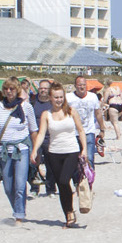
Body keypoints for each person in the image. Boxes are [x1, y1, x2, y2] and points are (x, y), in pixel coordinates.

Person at [30, 86, 85, 228]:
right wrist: (35, 150)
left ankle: (70, 211)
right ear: (50, 98)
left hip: (71, 150)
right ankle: (69, 213)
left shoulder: (71, 111)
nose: (59, 100)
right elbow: (41, 133)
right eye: (56, 97)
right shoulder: (46, 114)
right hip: (54, 152)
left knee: (64, 179)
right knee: (61, 185)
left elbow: (80, 130)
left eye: (61, 97)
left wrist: (84, 149)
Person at [0, 81, 34, 224]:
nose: (9, 91)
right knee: (7, 187)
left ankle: (19, 215)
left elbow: (33, 129)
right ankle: (18, 209)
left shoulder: (26, 107)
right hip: (3, 151)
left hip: (21, 149)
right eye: (6, 89)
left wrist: (35, 151)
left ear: (17, 90)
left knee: (20, 185)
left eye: (12, 88)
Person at [68, 83, 102, 166]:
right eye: (79, 85)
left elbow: (98, 113)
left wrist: (102, 128)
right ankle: (78, 178)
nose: (82, 87)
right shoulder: (68, 97)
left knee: (89, 158)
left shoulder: (93, 97)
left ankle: (89, 177)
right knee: (75, 160)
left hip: (89, 131)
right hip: (73, 132)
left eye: (83, 85)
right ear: (75, 86)